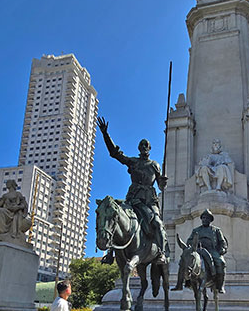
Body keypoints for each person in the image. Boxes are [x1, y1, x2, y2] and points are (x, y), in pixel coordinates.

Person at [97, 116, 168, 261]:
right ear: (139, 148)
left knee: (157, 223)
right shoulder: (133, 162)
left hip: (149, 201)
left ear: (149, 148)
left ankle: (161, 253)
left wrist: (162, 181)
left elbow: (160, 186)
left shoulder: (155, 165)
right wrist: (105, 134)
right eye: (141, 145)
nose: (143, 147)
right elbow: (115, 154)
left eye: (146, 145)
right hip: (133, 199)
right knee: (115, 216)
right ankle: (110, 253)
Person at [173, 209, 228, 293]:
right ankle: (180, 283)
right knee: (183, 261)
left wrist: (222, 249)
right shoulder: (196, 230)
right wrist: (193, 245)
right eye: (203, 218)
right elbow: (189, 241)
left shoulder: (216, 230)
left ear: (210, 220)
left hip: (212, 250)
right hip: (198, 250)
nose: (205, 220)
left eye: (207, 218)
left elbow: (222, 242)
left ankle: (220, 285)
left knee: (221, 262)